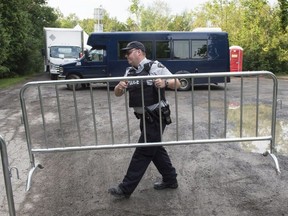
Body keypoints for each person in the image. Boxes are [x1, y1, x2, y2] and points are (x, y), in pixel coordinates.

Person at [108, 41, 181, 199]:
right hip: (144, 118)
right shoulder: (129, 71)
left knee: (143, 151)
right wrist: (119, 87)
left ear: (139, 52)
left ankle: (125, 188)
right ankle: (170, 179)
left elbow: (178, 83)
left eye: (129, 52)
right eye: (126, 53)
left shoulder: (155, 66)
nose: (126, 56)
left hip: (157, 116)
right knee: (155, 150)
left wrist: (165, 83)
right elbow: (117, 93)